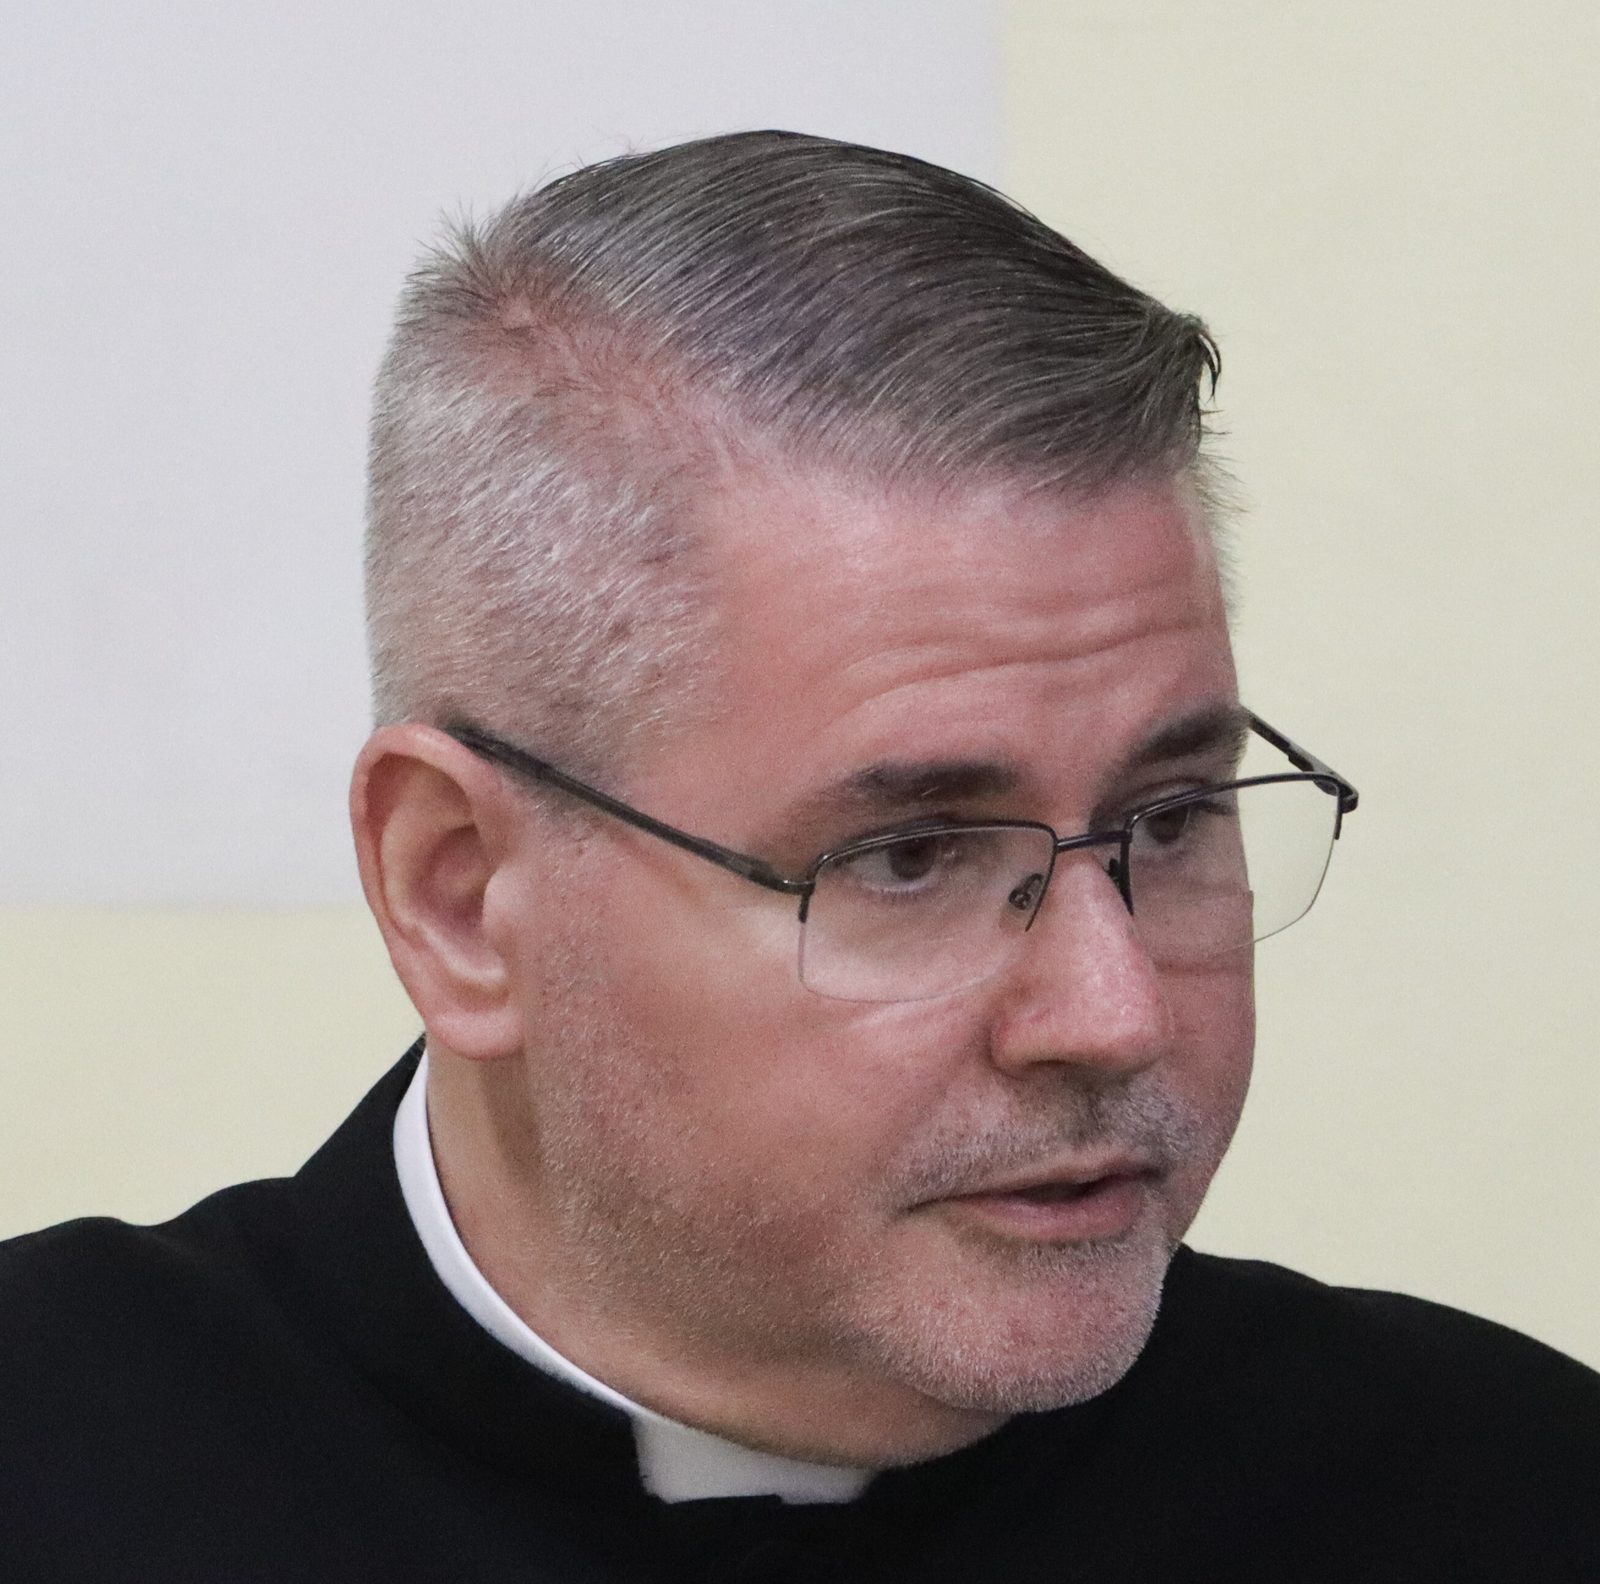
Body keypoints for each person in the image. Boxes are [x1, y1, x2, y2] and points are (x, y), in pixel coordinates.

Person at [3, 131, 1596, 1582]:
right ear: (462, 895)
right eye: (911, 859)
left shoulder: (1512, 1496)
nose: (1112, 1014)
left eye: (1170, 824)